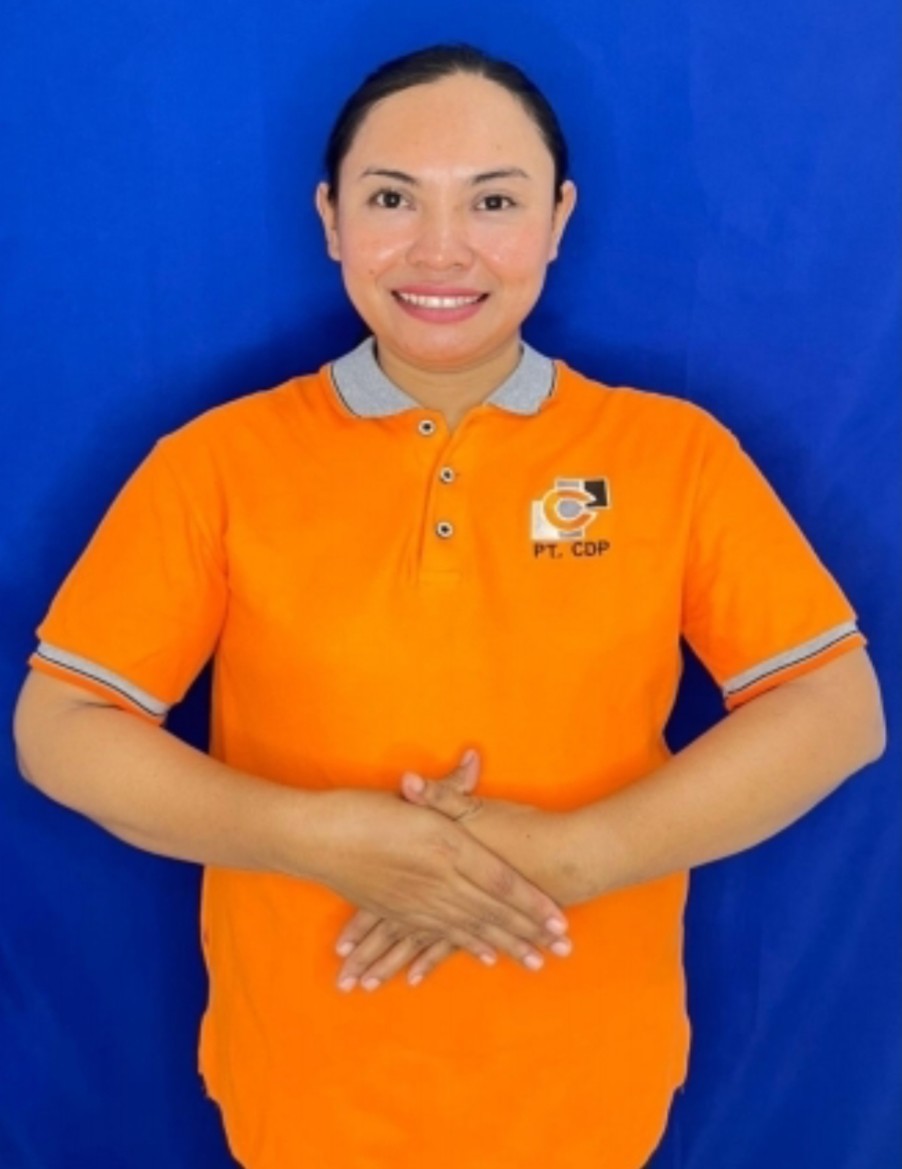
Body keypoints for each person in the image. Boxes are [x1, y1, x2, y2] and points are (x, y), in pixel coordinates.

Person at [13, 43, 885, 1169]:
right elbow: (61, 725)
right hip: (302, 1082)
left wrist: (576, 854)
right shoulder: (215, 465)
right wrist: (313, 838)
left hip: (587, 1083)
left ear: (557, 220)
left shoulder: (674, 455)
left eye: (493, 201)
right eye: (391, 199)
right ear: (330, 219)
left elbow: (835, 707)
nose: (439, 248)